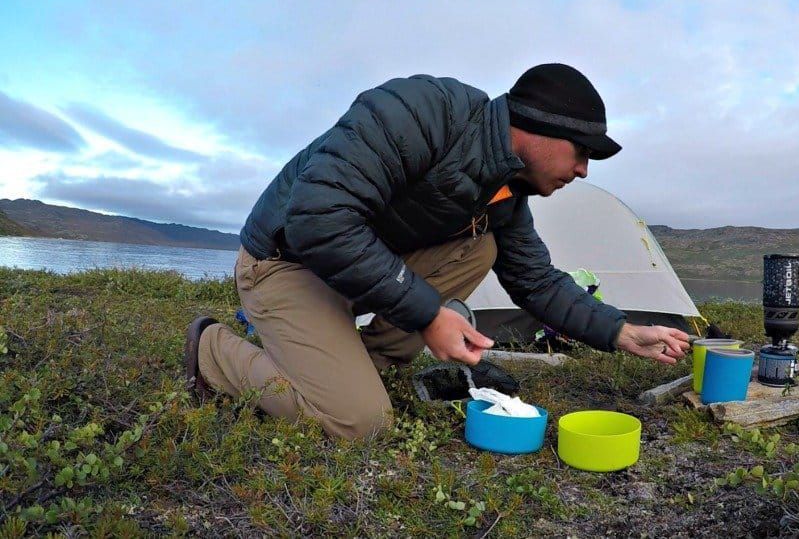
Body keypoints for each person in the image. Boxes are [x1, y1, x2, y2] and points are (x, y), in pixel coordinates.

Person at [183, 63, 690, 439]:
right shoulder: (422, 112)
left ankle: (363, 363)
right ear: (540, 128)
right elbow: (319, 218)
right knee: (359, 423)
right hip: (285, 262)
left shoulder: (506, 191)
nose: (583, 171)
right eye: (582, 152)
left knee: (479, 247)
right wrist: (427, 315)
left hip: (349, 273)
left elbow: (535, 280)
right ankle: (212, 349)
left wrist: (621, 331)